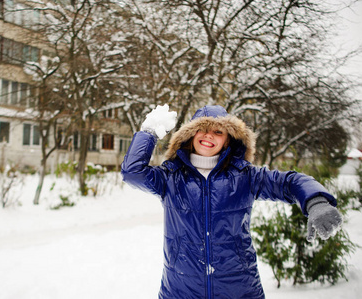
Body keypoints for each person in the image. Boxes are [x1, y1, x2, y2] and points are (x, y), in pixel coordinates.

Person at [121, 105, 343, 299]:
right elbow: (133, 173)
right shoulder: (171, 177)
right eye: (202, 129)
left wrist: (315, 201)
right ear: (190, 135)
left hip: (239, 289)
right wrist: (149, 132)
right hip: (181, 288)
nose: (209, 136)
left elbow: (289, 182)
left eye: (218, 131)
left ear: (228, 139)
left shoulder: (245, 176)